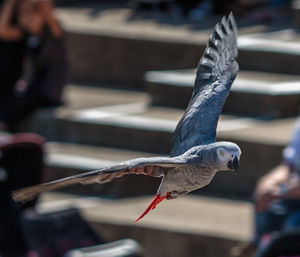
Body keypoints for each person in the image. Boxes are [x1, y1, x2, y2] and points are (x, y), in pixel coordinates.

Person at [232, 117, 300, 257]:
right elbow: (289, 165)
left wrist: (285, 192)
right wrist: (269, 181)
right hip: (291, 194)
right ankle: (255, 247)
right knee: (266, 208)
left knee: (292, 225)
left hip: (293, 196)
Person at [0, 0, 67, 131]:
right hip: (32, 88)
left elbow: (46, 6)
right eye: (24, 14)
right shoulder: (25, 36)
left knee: (12, 108)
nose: (29, 18)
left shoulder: (52, 31)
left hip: (49, 90)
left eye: (33, 13)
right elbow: (2, 30)